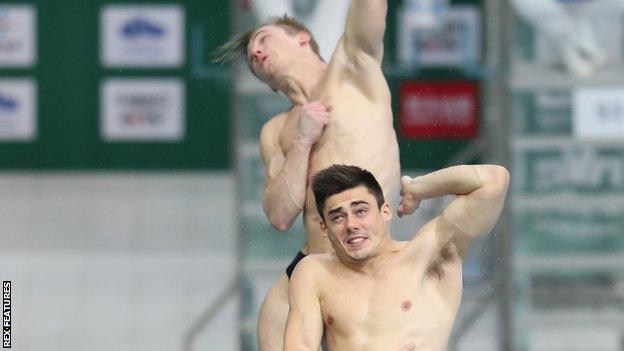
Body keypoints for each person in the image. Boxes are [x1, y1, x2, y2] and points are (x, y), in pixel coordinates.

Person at [214, 1, 400, 350]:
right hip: (312, 266)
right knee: (274, 318)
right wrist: (303, 140)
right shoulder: (277, 131)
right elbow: (279, 215)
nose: (255, 51)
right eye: (252, 55)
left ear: (303, 38)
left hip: (370, 261)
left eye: (264, 39)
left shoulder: (355, 68)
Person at [283, 164, 509, 350]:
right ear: (324, 228)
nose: (351, 225)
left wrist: (418, 188)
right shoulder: (313, 272)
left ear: (385, 212)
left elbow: (494, 180)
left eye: (360, 211)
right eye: (337, 218)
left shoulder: (428, 256)